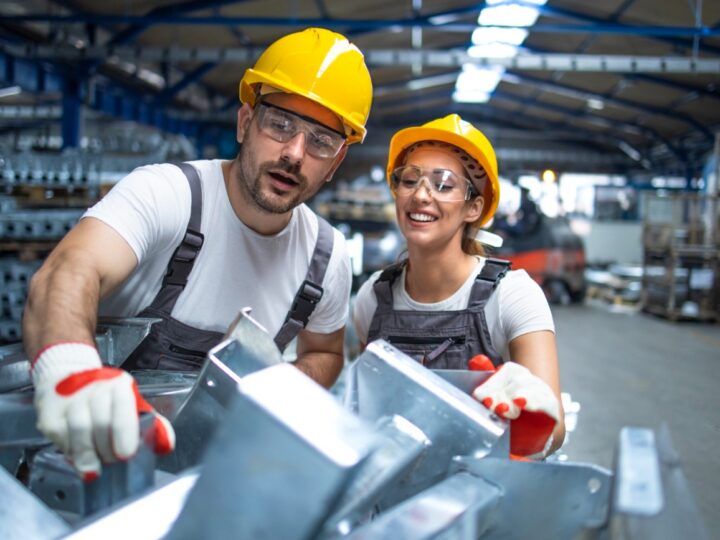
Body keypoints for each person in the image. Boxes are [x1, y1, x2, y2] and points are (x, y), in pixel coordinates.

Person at [22, 28, 373, 479]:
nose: (294, 153)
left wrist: (274, 391)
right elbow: (68, 271)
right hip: (92, 470)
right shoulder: (168, 194)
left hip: (221, 479)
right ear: (245, 122)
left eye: (321, 142)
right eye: (280, 124)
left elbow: (325, 352)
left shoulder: (326, 257)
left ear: (336, 162)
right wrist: (70, 368)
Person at [352, 114, 565, 457]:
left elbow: (554, 429)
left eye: (444, 184)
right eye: (409, 180)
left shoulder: (511, 296)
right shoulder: (372, 299)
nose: (420, 195)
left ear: (474, 208)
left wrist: (529, 425)